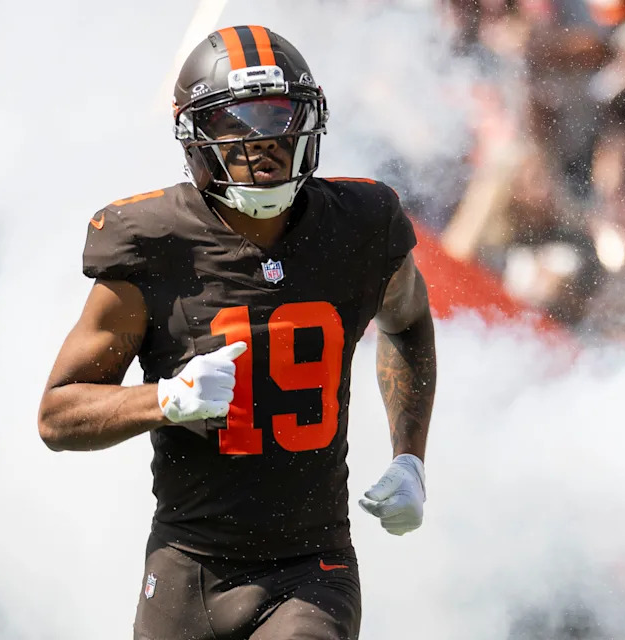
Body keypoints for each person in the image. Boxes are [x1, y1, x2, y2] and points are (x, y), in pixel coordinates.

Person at [38, 25, 437, 640]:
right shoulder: (150, 242)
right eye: (236, 122)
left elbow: (407, 322)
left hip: (312, 565)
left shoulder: (362, 225)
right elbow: (58, 416)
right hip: (189, 566)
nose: (264, 142)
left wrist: (410, 456)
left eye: (280, 116)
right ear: (194, 132)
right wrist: (164, 400)